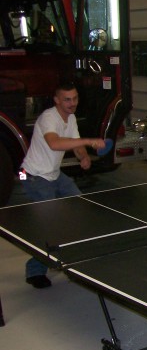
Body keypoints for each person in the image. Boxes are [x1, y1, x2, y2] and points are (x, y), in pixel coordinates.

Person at [19, 82, 106, 289]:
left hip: (55, 175)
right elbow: (55, 143)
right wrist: (89, 141)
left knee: (78, 209)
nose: (72, 103)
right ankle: (35, 271)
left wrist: (83, 156)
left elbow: (75, 145)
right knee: (51, 227)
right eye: (67, 99)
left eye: (75, 98)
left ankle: (71, 260)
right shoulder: (49, 118)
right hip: (33, 177)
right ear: (57, 100)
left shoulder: (72, 118)